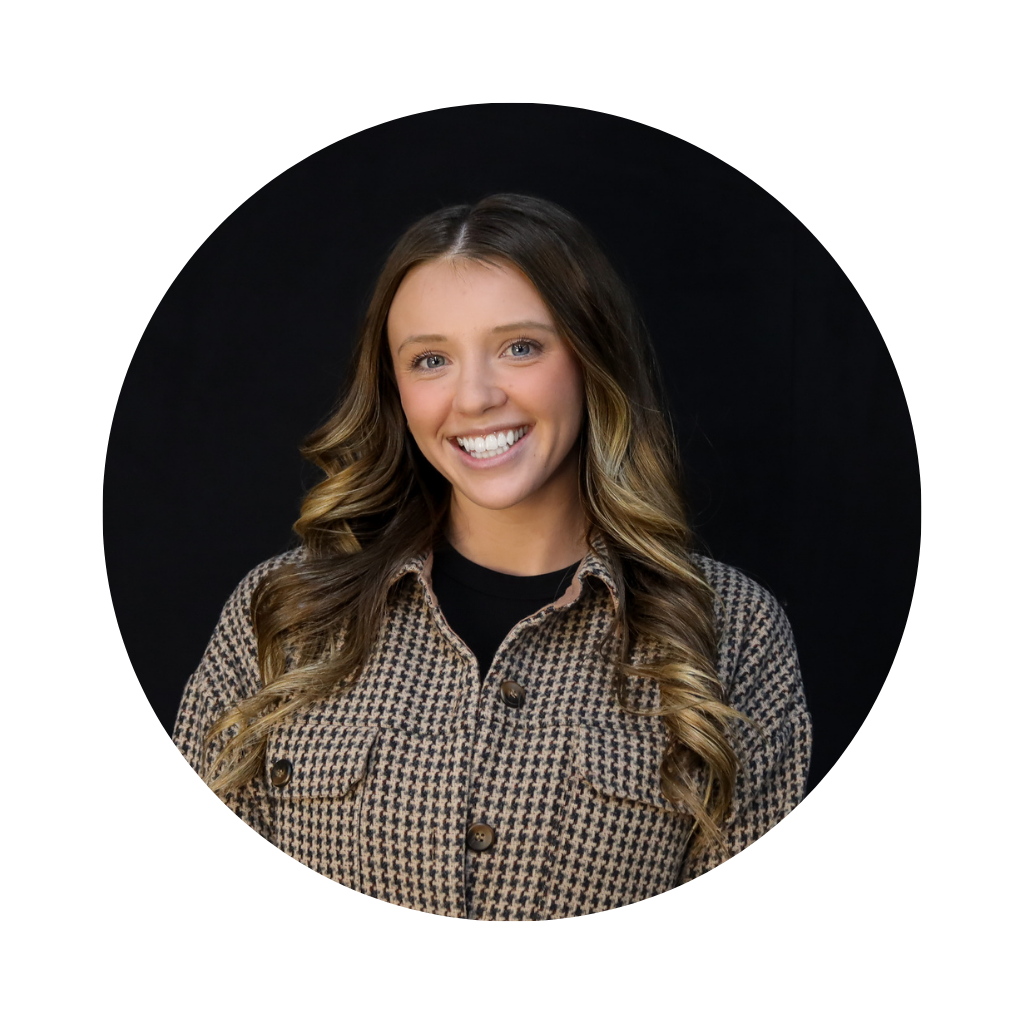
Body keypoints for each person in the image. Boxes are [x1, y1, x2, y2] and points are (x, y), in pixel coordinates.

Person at [172, 193, 812, 926]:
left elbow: (747, 913)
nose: (474, 397)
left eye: (520, 347)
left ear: (591, 357)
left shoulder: (736, 632)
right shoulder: (281, 611)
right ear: (396, 389)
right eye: (431, 359)